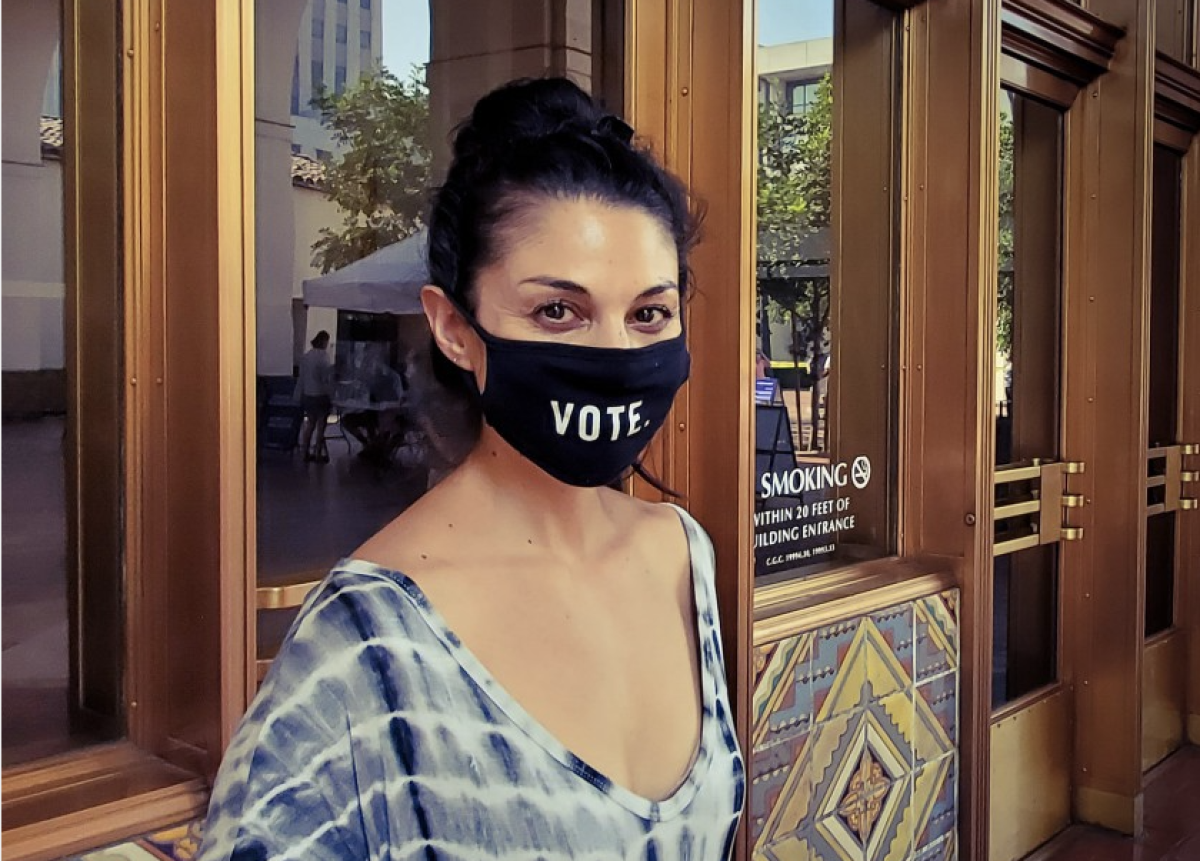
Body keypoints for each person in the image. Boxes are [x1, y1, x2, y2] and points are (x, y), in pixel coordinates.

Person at [198, 77, 745, 860]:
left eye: (649, 313)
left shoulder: (683, 553)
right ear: (455, 329)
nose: (620, 356)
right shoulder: (364, 646)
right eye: (558, 310)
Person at [297, 330, 334, 463]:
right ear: (324, 341)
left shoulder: (306, 356)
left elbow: (301, 377)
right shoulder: (323, 357)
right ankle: (317, 452)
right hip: (320, 395)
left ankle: (304, 451)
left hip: (308, 394)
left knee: (310, 424)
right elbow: (325, 378)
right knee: (321, 425)